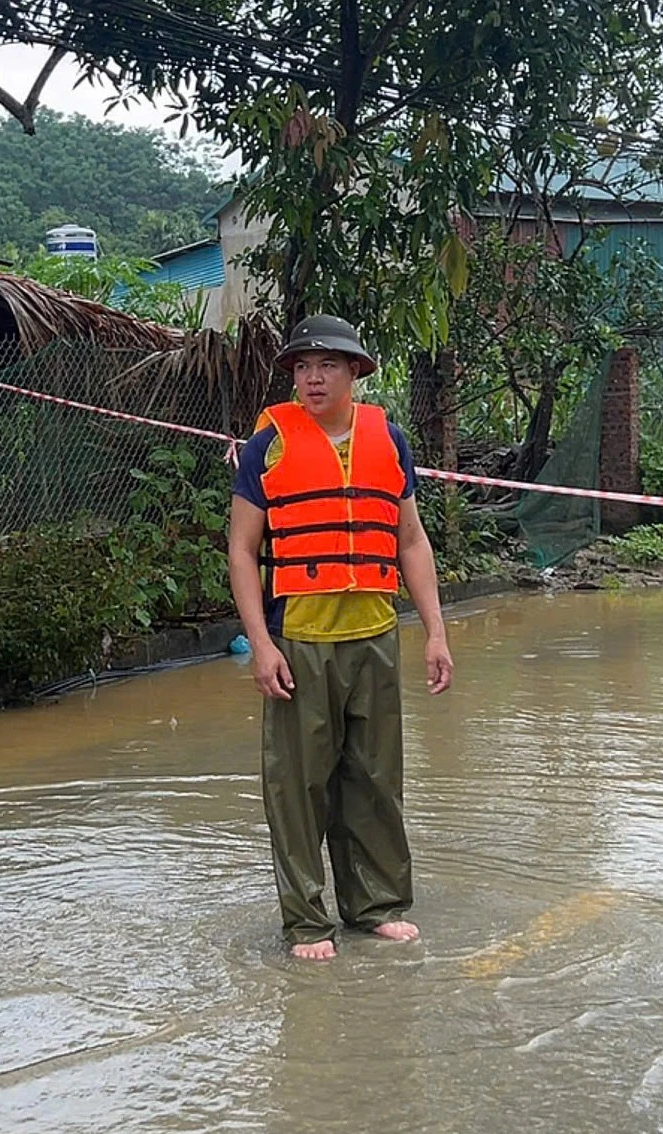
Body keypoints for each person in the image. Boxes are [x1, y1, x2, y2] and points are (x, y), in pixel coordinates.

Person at [228, 315, 454, 961]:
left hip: (375, 633)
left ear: (355, 371)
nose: (312, 377)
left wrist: (435, 632)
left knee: (376, 778)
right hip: (298, 636)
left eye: (326, 364)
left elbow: (410, 539)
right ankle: (306, 921)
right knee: (298, 785)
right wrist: (261, 645)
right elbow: (242, 552)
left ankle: (376, 905)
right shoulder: (267, 445)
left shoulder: (390, 439)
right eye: (301, 366)